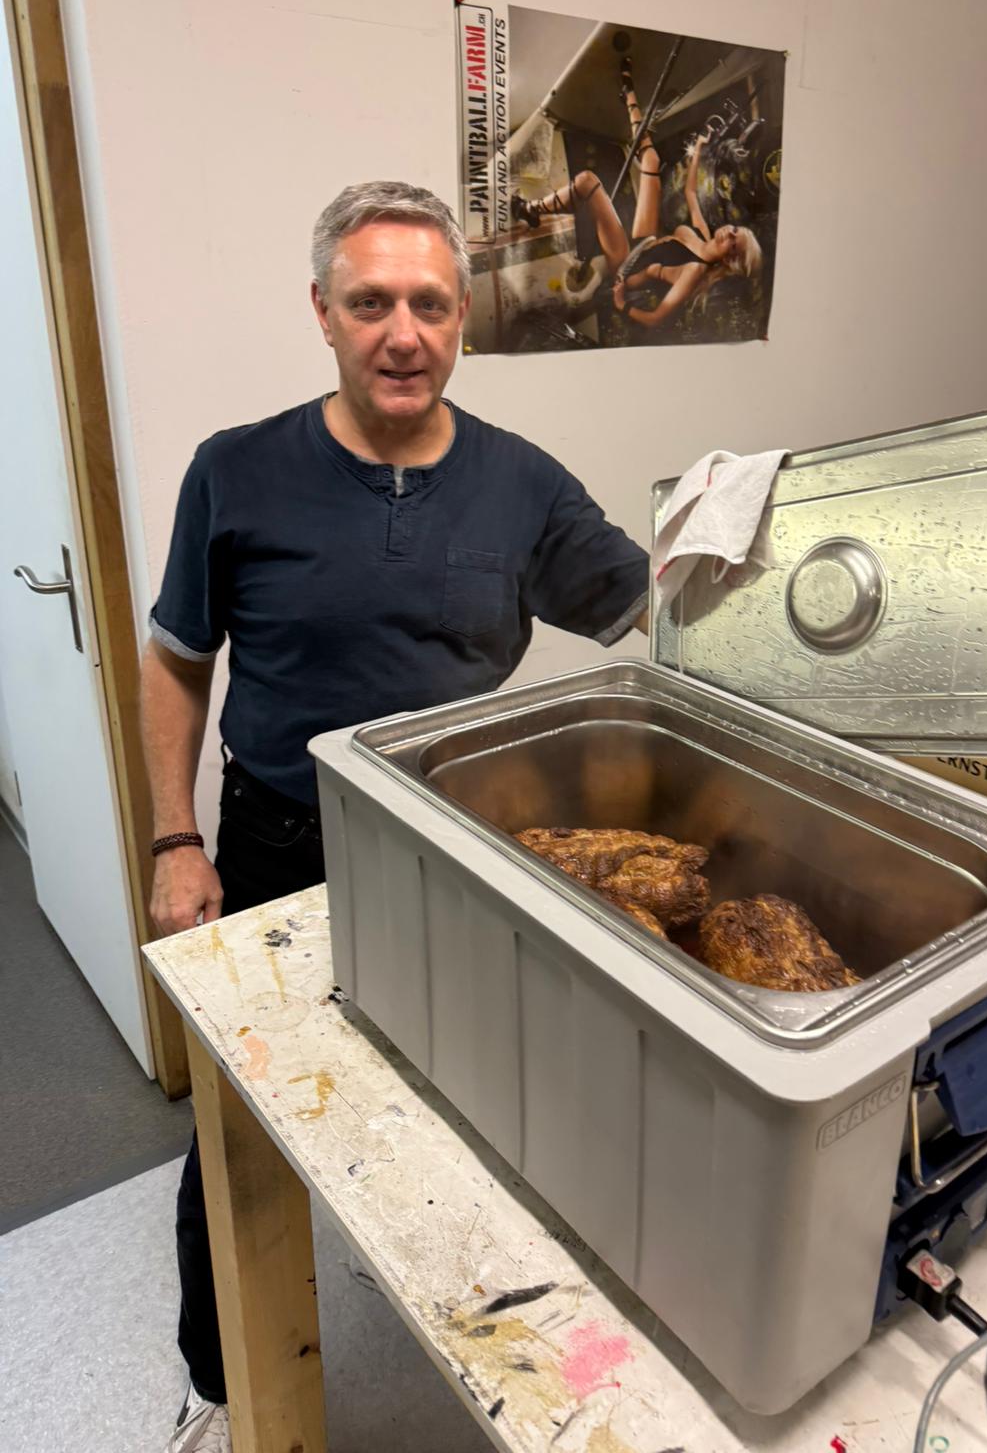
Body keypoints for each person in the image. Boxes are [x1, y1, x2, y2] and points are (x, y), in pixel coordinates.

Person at [143, 180, 649, 1453]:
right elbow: (178, 661)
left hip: (464, 852)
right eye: (371, 303)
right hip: (281, 842)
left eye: (429, 303)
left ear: (463, 315)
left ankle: (493, 1352)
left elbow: (655, 608)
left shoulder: (523, 486)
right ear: (322, 311)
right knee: (240, 1125)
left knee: (478, 1113)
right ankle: (220, 1383)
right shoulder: (235, 470)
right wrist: (173, 839)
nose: (403, 334)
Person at [511, 59, 763, 332]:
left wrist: (621, 304)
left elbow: (657, 318)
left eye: (733, 244)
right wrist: (700, 147)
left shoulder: (695, 271)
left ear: (729, 260)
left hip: (626, 265)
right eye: (735, 231)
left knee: (587, 183)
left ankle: (530, 210)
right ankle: (628, 92)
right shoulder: (703, 234)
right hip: (647, 240)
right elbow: (690, 192)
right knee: (651, 159)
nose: (728, 234)